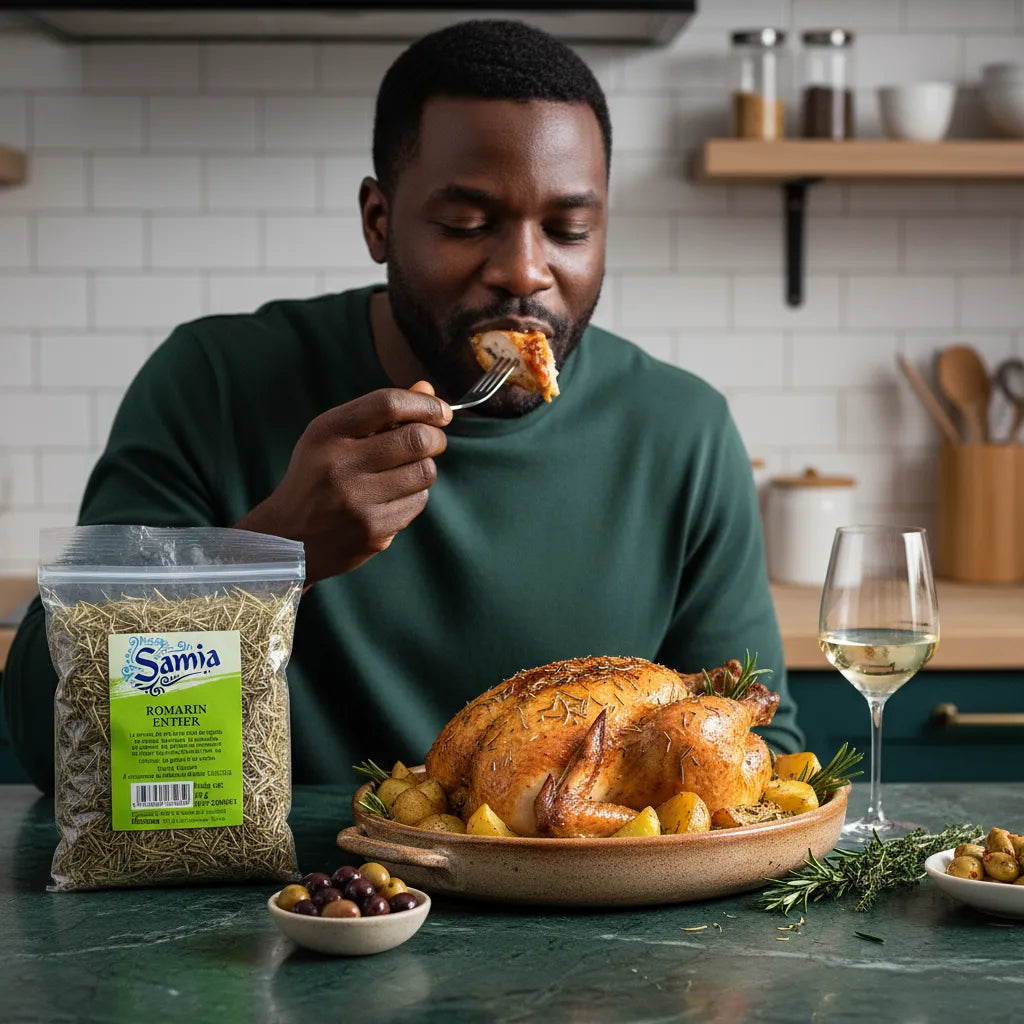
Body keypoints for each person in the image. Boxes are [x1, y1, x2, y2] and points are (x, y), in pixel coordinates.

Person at [2, 19, 802, 794]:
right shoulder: (212, 382)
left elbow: (767, 757)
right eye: (467, 223)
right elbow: (54, 738)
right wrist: (277, 553)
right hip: (280, 877)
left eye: (569, 229)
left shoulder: (682, 431)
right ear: (378, 220)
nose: (525, 271)